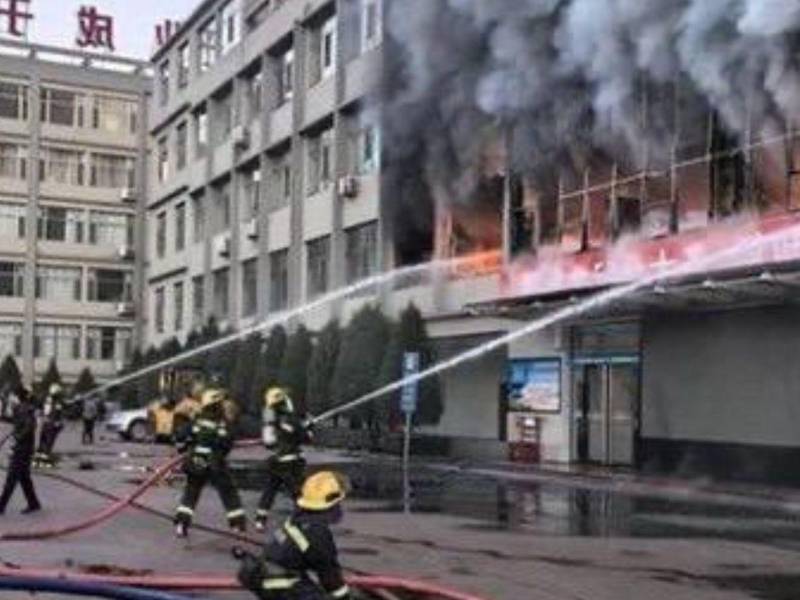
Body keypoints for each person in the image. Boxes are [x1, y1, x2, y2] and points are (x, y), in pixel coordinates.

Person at [237, 471, 351, 600]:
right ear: (332, 503)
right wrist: (345, 597)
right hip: (284, 586)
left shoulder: (297, 519)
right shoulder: (317, 532)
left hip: (266, 578)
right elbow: (330, 576)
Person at [173, 388, 246, 537]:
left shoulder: (196, 421)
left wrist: (184, 450)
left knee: (191, 492)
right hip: (215, 465)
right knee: (228, 492)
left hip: (196, 462)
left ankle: (181, 524)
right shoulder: (223, 423)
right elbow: (227, 443)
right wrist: (220, 454)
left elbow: (180, 436)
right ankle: (237, 524)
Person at [254, 387, 313, 532]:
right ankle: (303, 521)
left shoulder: (270, 421)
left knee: (270, 491)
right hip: (291, 463)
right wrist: (310, 427)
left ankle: (260, 520)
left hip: (276, 462)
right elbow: (306, 438)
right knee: (298, 493)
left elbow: (268, 443)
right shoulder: (291, 419)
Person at [0, 385, 41, 515]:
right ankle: (33, 503)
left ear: (17, 397)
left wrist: (17, 437)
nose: (10, 398)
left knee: (12, 477)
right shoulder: (21, 408)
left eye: (12, 395)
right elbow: (15, 421)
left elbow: (30, 425)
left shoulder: (24, 409)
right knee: (24, 477)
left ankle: (1, 506)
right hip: (24, 447)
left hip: (22, 449)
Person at [34, 383, 66, 468]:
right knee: (49, 442)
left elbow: (40, 410)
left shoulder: (46, 400)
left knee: (42, 441)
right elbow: (57, 414)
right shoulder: (57, 403)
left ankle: (38, 459)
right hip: (52, 425)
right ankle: (45, 460)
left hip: (45, 423)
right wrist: (59, 422)